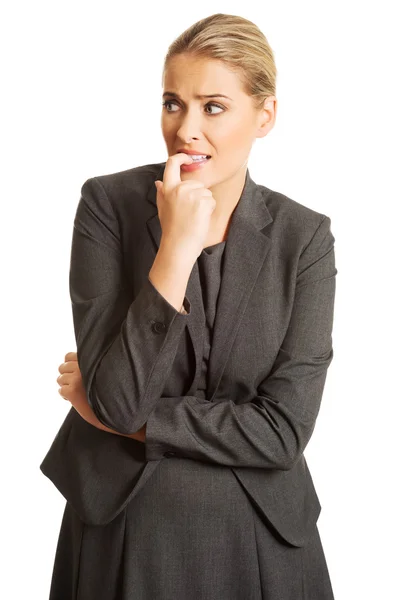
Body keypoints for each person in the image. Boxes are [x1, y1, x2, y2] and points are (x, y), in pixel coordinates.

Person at [41, 12, 337, 600]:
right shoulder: (108, 206)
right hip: (125, 525)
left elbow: (282, 432)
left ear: (265, 116)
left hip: (262, 535)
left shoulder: (304, 239)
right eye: (173, 103)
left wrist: (142, 424)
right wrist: (175, 250)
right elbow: (121, 398)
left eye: (214, 107)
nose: (186, 129)